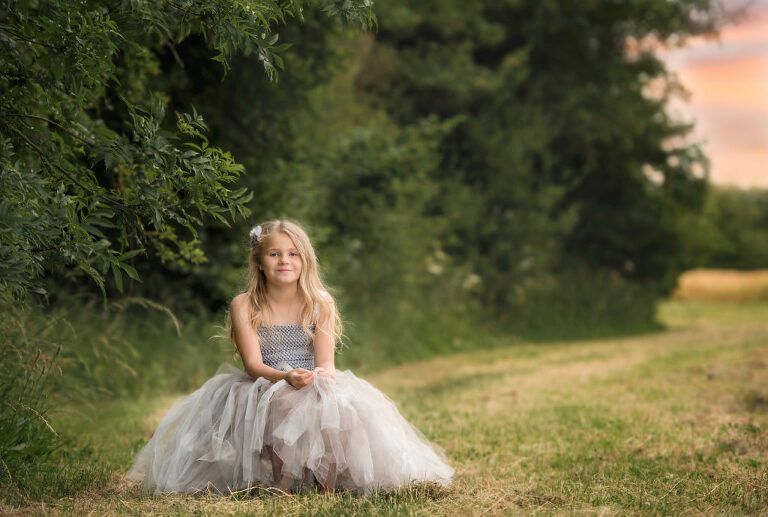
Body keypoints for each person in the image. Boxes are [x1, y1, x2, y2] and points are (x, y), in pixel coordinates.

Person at [125, 219, 454, 496]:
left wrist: (315, 381)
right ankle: (282, 485)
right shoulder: (245, 304)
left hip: (312, 375)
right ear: (259, 262)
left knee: (337, 404)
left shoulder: (319, 302)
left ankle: (323, 484)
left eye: (293, 254)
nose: (284, 261)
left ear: (305, 261)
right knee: (282, 401)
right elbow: (252, 365)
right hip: (264, 380)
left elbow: (326, 364)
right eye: (274, 254)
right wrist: (284, 378)